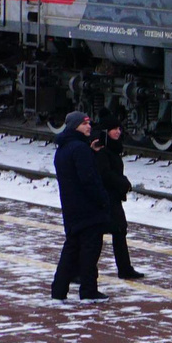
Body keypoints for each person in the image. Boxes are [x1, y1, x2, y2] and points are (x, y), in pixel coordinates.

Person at [49, 111, 114, 302]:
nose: (89, 127)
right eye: (84, 124)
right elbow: (89, 179)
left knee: (71, 250)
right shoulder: (79, 149)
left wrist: (89, 151)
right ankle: (88, 291)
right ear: (74, 126)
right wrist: (103, 200)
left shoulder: (64, 148)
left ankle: (58, 291)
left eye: (89, 124)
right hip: (88, 209)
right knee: (90, 251)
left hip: (71, 208)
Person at [92, 120, 142, 281]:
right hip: (106, 198)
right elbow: (105, 174)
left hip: (112, 197)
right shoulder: (102, 151)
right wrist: (123, 183)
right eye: (114, 128)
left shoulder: (112, 148)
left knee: (118, 231)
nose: (118, 132)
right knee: (100, 234)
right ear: (106, 131)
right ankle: (82, 270)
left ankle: (124, 268)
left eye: (119, 128)